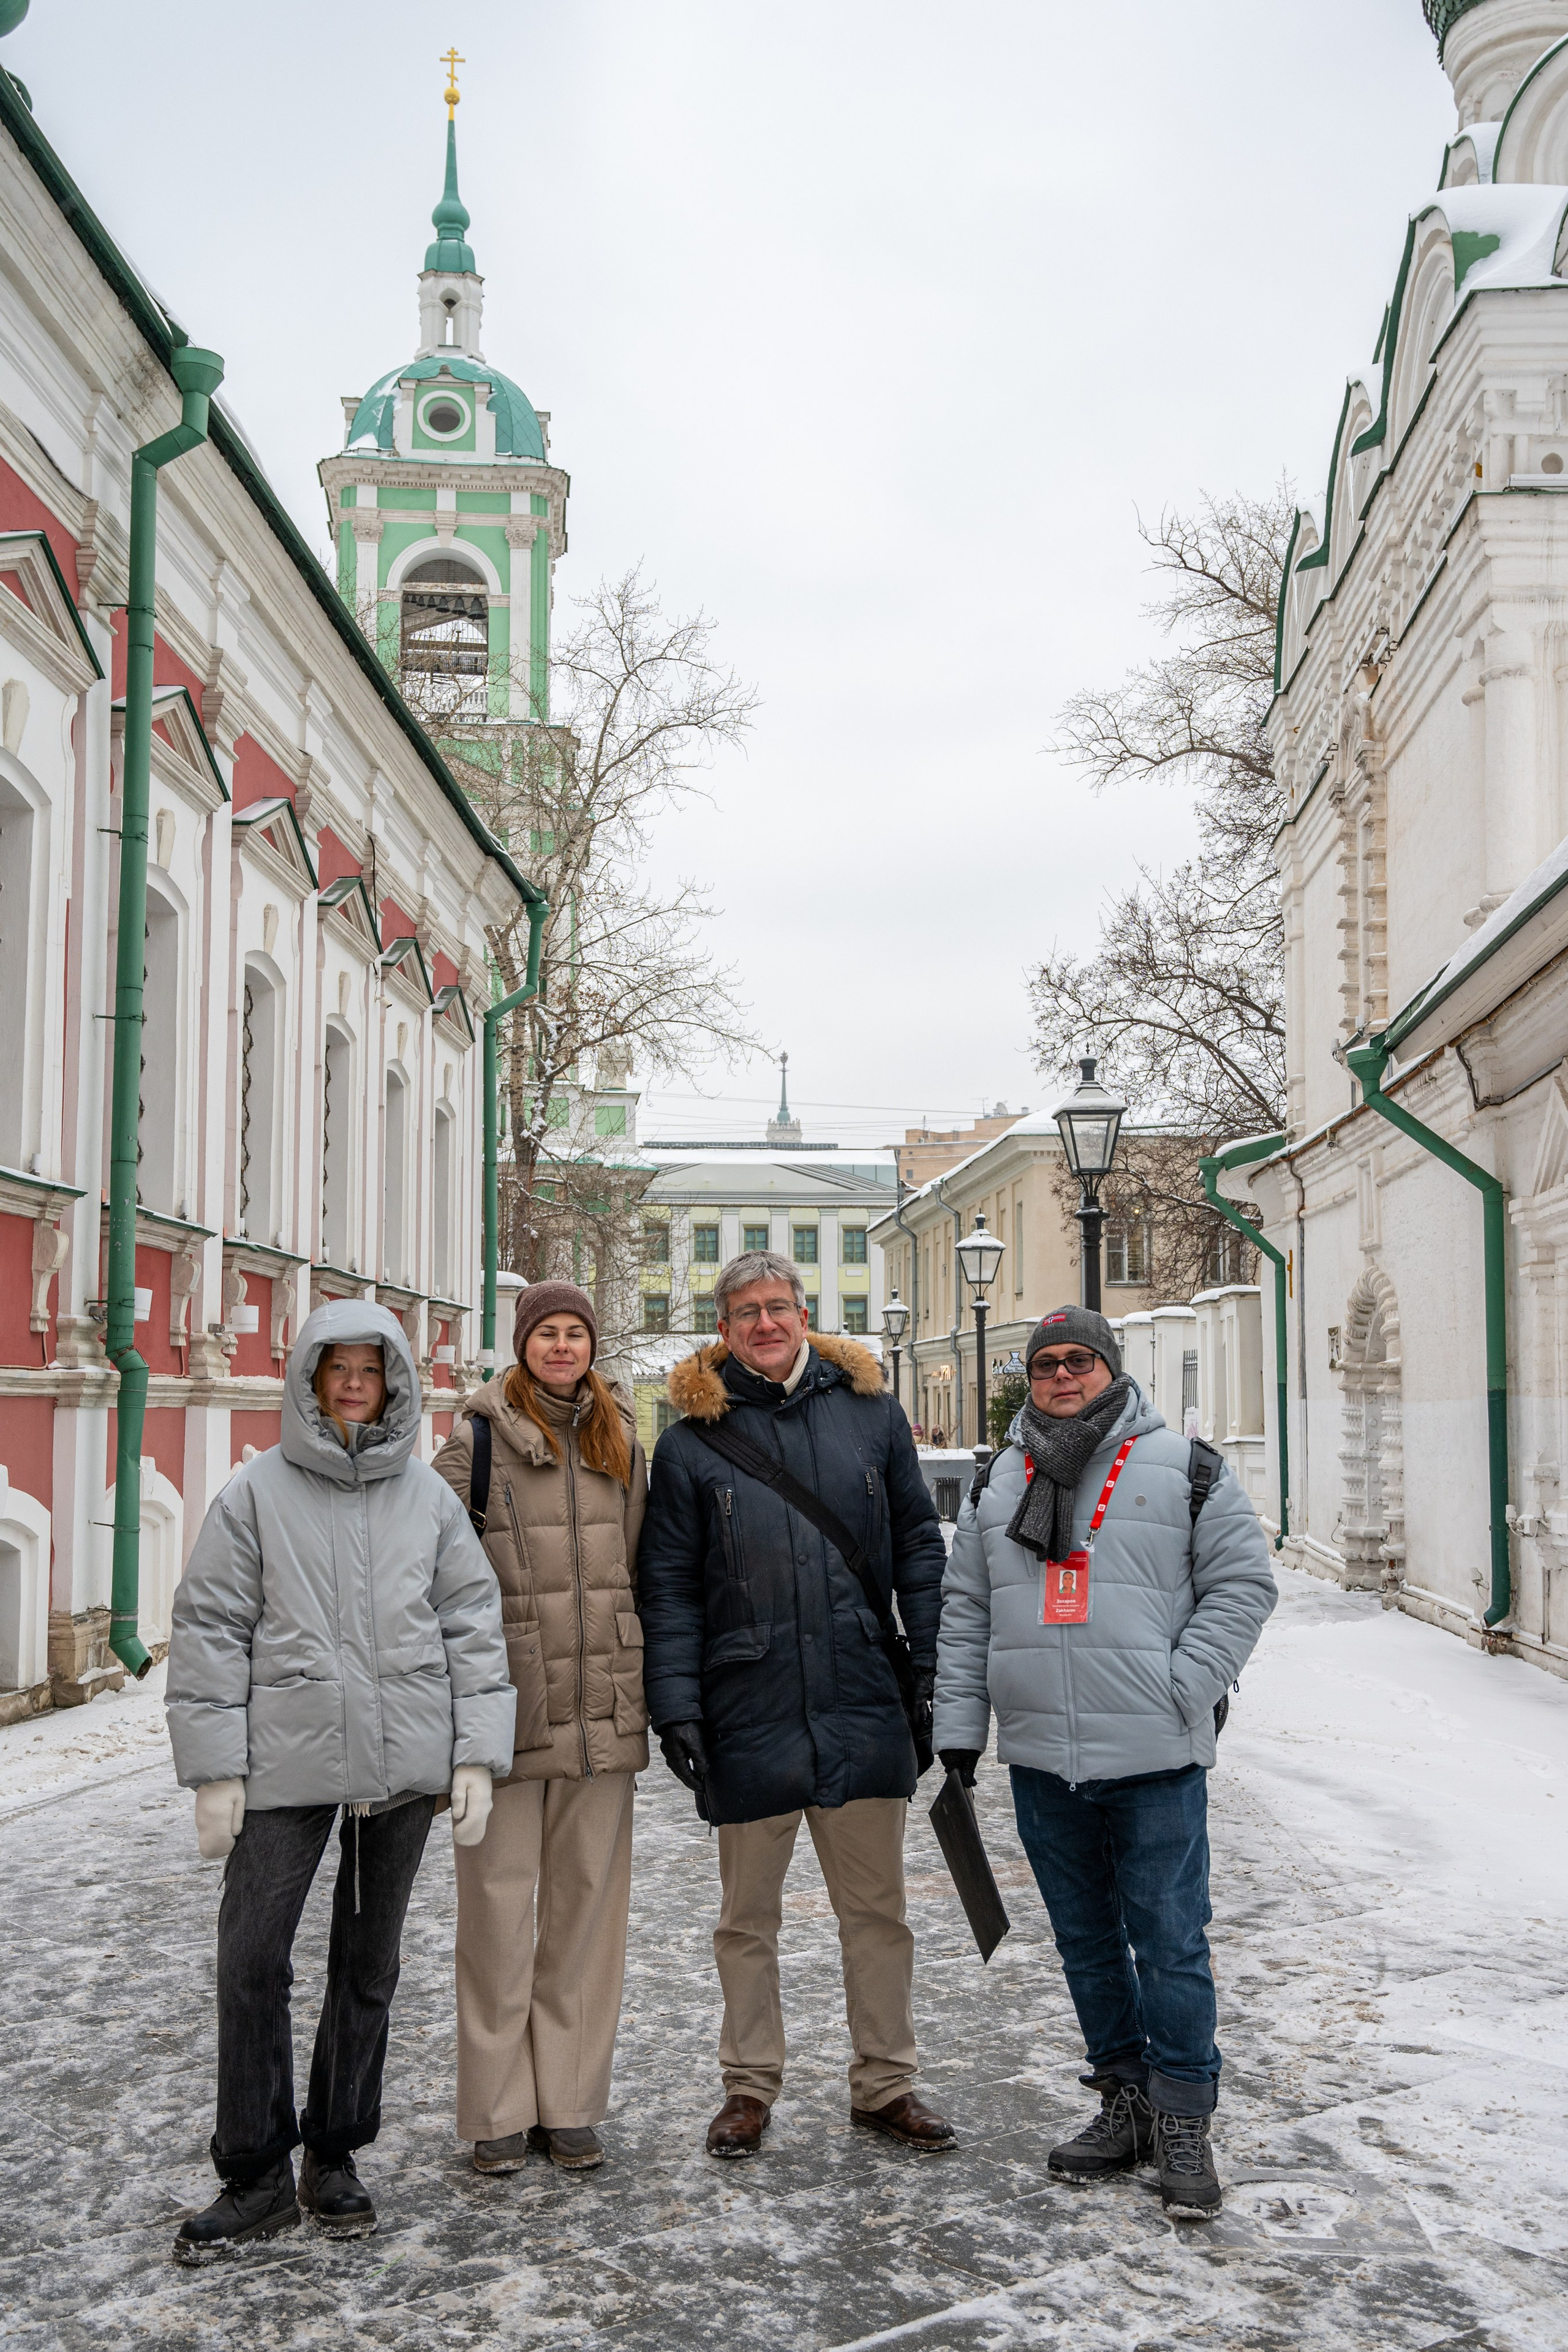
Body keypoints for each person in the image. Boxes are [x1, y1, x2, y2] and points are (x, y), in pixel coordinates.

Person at [165, 1302, 515, 2263]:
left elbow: (472, 1629)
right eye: (338, 1367)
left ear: (394, 1381)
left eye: (372, 1368)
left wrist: (477, 1752)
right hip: (286, 1768)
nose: (355, 1382)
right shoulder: (256, 1494)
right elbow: (209, 1631)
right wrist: (214, 1773)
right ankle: (254, 2172)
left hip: (401, 1771)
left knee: (367, 1968)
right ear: (311, 1378)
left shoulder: (428, 1500)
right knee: (251, 1960)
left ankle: (334, 2152)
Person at [934, 1306, 1276, 2221]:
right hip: (1045, 1757)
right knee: (1087, 1944)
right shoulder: (1001, 1481)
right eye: (1045, 1364)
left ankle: (1183, 2120)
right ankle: (1124, 2101)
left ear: (1111, 1369)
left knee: (1170, 1943)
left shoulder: (1182, 1468)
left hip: (1156, 1754)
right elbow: (965, 1612)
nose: (1061, 1376)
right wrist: (961, 1731)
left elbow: (1245, 1584)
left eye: (1079, 1360)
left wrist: (1184, 1684)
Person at [638, 1250, 954, 2160]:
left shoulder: (871, 1413)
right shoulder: (693, 1439)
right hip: (750, 1703)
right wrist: (678, 1709)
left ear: (804, 1315)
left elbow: (916, 1549)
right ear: (724, 1328)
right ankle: (748, 2085)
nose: (766, 1324)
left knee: (878, 1912)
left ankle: (886, 2082)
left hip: (860, 1693)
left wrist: (928, 1666)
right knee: (746, 1920)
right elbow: (668, 1586)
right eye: (747, 1312)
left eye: (780, 1307)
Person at [432, 1281, 647, 2174]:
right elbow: (432, 1579)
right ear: (522, 1345)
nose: (563, 1347)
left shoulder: (624, 1440)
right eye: (547, 1334)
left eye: (575, 1334)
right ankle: (495, 2111)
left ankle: (568, 2103)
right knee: (494, 1915)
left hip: (604, 1710)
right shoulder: (473, 1442)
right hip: (504, 1719)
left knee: (587, 1918)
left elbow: (646, 1566)